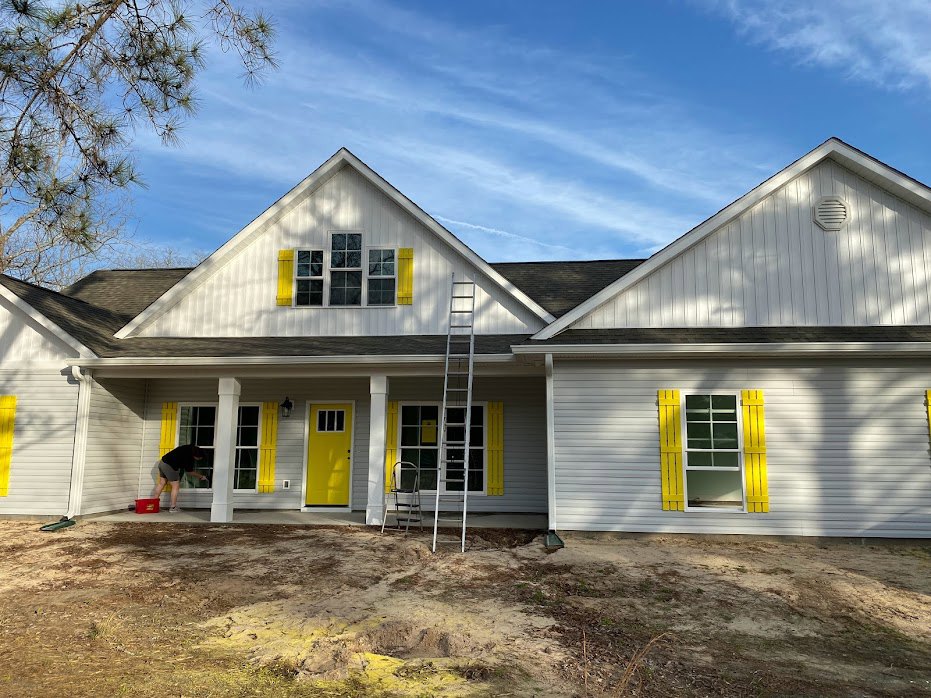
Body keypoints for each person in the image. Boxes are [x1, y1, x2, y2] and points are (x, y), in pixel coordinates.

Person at [152, 444, 208, 512]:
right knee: (175, 485)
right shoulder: (189, 458)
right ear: (196, 456)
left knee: (161, 483)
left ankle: (154, 506)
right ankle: (173, 507)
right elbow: (189, 472)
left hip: (162, 462)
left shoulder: (188, 447)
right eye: (199, 458)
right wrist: (201, 476)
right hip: (170, 466)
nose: (198, 460)